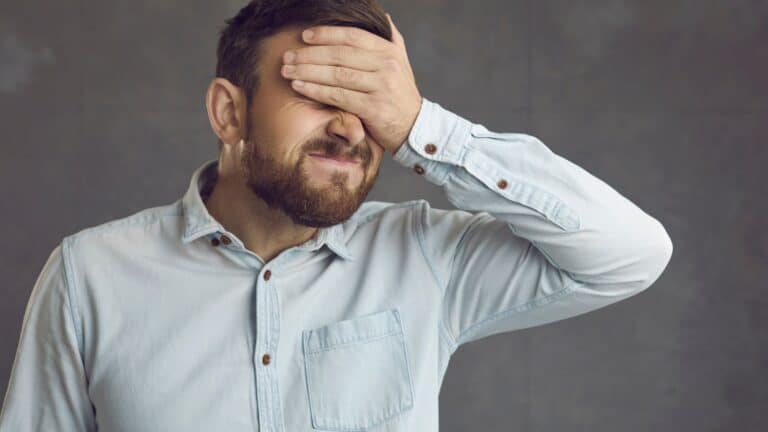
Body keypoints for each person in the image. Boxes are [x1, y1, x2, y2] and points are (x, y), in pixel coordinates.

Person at [0, 1, 673, 431]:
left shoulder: (424, 256)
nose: (352, 127)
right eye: (319, 92)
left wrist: (421, 127)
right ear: (228, 112)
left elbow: (632, 253)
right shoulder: (90, 274)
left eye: (372, 100)